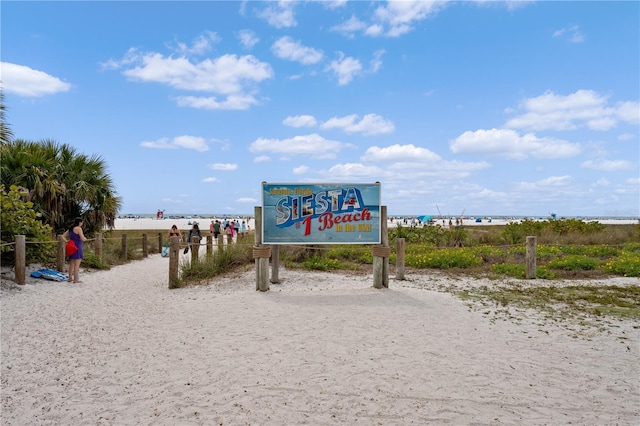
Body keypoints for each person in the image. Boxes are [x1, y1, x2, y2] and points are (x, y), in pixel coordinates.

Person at [62, 217, 87, 283]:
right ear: (79, 222)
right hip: (77, 247)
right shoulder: (78, 228)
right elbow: (82, 238)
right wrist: (85, 239)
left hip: (71, 246)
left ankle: (70, 278)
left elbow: (63, 236)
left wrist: (67, 241)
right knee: (77, 265)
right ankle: (76, 279)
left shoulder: (70, 229)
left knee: (72, 263)